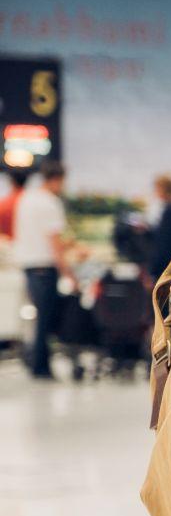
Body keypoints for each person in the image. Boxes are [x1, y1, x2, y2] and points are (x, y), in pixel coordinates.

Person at [12, 160, 72, 379]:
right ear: (56, 179)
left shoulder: (26, 199)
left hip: (28, 267)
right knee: (46, 320)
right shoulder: (49, 203)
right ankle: (40, 367)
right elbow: (54, 243)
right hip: (44, 268)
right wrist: (68, 273)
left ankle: (36, 362)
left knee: (39, 318)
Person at [0, 168, 30, 241]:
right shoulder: (32, 202)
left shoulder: (4, 204)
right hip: (28, 243)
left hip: (10, 244)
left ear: (11, 182)